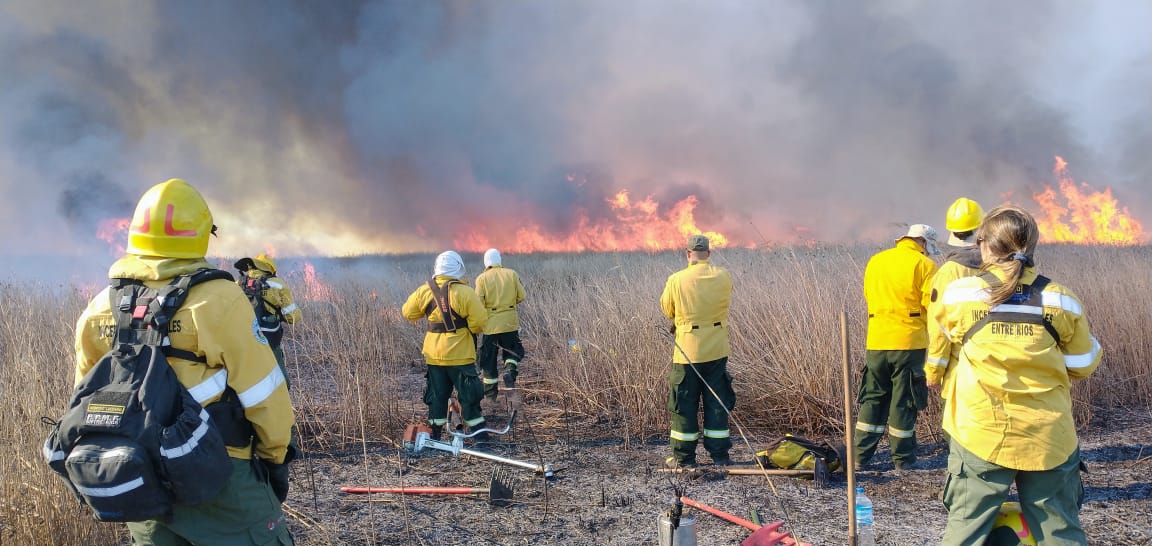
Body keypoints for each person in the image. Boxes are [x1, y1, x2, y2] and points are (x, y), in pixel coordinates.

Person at [73, 178, 295, 544]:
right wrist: (276, 458)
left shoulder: (99, 308)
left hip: (141, 479)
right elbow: (264, 395)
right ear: (201, 234)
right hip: (220, 474)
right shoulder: (219, 299)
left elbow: (85, 399)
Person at [929, 206, 1101, 544]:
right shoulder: (1062, 301)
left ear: (985, 245)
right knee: (1060, 532)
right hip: (1048, 438)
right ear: (1032, 245)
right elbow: (1083, 364)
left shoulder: (960, 296)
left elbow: (941, 346)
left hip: (980, 432)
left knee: (965, 531)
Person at [856, 224, 939, 472]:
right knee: (904, 400)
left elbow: (869, 296)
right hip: (908, 344)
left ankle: (859, 457)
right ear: (923, 242)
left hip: (876, 342)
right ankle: (903, 460)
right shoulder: (924, 265)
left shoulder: (876, 261)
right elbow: (932, 307)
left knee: (873, 397)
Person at [660, 234, 734, 468]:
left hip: (688, 352)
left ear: (688, 254)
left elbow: (667, 309)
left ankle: (683, 459)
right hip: (717, 349)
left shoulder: (676, 279)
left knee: (684, 403)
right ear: (708, 253)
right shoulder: (724, 275)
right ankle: (720, 457)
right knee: (717, 401)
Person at [401, 251, 491, 442]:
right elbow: (480, 322)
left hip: (434, 355)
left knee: (437, 396)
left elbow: (408, 313)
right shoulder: (465, 292)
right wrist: (468, 329)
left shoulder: (424, 290)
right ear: (458, 268)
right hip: (460, 355)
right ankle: (480, 437)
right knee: (469, 395)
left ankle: (434, 436)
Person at [925, 198, 985, 402]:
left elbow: (939, 327)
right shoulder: (1002, 269)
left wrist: (934, 373)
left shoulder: (948, 273)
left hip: (962, 376)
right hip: (998, 371)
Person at [235, 253, 303, 387]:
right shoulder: (277, 284)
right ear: (270, 268)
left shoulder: (239, 283)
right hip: (268, 337)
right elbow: (294, 317)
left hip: (242, 338)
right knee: (280, 381)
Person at [474, 248, 527, 399]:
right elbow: (522, 296)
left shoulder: (481, 279)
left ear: (486, 262)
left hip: (490, 327)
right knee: (513, 351)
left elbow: (478, 303)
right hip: (510, 324)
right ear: (499, 260)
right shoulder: (511, 274)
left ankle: (491, 396)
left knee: (488, 359)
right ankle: (510, 372)